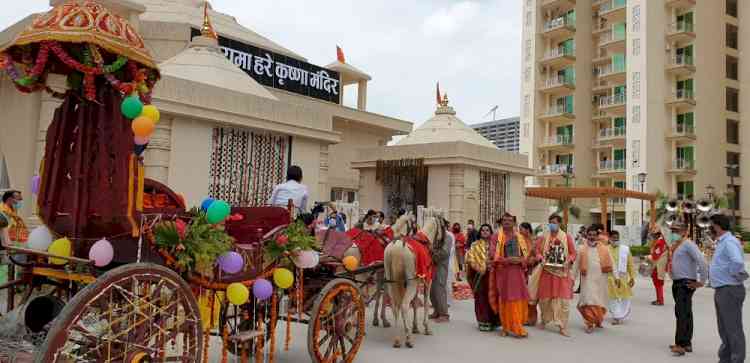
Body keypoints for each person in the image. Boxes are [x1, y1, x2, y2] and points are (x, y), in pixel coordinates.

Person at [709, 214, 747, 363]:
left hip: (729, 290)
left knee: (733, 329)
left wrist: (732, 275)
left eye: (711, 225)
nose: (710, 228)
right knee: (724, 328)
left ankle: (736, 360)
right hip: (722, 289)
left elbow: (737, 262)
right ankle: (725, 359)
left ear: (717, 226)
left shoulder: (729, 241)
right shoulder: (722, 242)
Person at [530, 214, 576, 337]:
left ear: (560, 224)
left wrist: (569, 261)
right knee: (544, 299)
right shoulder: (544, 237)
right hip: (546, 272)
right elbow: (537, 251)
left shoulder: (566, 237)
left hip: (561, 273)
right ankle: (544, 320)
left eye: (554, 222)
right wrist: (540, 258)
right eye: (550, 222)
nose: (552, 224)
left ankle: (562, 326)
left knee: (563, 301)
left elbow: (572, 253)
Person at [668, 221, 707, 356]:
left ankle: (680, 344)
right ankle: (686, 343)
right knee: (684, 312)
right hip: (677, 282)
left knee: (682, 313)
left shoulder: (688, 244)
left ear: (684, 232)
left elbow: (702, 261)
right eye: (672, 230)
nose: (673, 233)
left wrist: (702, 281)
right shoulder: (677, 245)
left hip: (686, 283)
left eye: (676, 230)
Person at [489, 213, 530, 338]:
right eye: (504, 220)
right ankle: (506, 327)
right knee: (504, 299)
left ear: (514, 222)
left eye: (510, 220)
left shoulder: (520, 237)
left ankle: (518, 326)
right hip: (503, 272)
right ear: (501, 222)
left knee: (517, 298)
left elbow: (526, 255)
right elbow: (492, 254)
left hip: (517, 273)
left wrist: (520, 260)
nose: (507, 222)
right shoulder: (496, 236)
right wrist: (507, 260)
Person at [574, 225, 614, 334]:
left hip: (601, 279)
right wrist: (572, 279)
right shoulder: (581, 248)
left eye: (594, 235)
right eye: (589, 235)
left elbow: (612, 263)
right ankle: (589, 323)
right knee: (588, 300)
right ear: (586, 235)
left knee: (599, 301)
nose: (591, 237)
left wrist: (617, 277)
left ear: (597, 236)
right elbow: (576, 265)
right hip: (587, 279)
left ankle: (597, 320)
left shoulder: (604, 248)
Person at [465, 223, 500, 331]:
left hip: (492, 275)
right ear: (480, 232)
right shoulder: (475, 245)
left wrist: (492, 265)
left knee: (493, 297)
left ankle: (493, 321)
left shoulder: (496, 245)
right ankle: (483, 321)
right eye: (483, 230)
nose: (485, 232)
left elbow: (499, 258)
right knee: (481, 298)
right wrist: (481, 267)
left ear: (491, 232)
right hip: (479, 275)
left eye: (487, 230)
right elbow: (470, 259)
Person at [607, 230, 635, 325]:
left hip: (623, 277)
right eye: (613, 238)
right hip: (610, 278)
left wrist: (632, 277)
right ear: (609, 238)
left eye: (617, 238)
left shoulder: (625, 249)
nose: (616, 240)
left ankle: (621, 314)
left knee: (625, 297)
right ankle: (616, 316)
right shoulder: (606, 249)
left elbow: (630, 264)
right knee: (612, 298)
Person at [429, 218, 454, 323]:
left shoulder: (447, 237)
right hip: (432, 265)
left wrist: (432, 254)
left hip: (441, 265)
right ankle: (437, 311)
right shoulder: (434, 236)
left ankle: (444, 314)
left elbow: (444, 252)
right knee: (432, 290)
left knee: (439, 288)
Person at [519, 222, 539, 326]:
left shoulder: (534, 241)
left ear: (527, 230)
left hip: (532, 271)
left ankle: (531, 318)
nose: (519, 231)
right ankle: (523, 316)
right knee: (522, 295)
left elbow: (539, 255)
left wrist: (532, 259)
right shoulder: (519, 240)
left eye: (521, 229)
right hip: (521, 270)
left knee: (531, 295)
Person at [648, 229, 668, 306]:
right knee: (659, 283)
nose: (653, 236)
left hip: (658, 266)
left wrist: (647, 257)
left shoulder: (660, 242)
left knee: (658, 284)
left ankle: (660, 300)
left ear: (657, 235)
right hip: (660, 265)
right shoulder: (663, 241)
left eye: (653, 235)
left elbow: (656, 255)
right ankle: (659, 299)